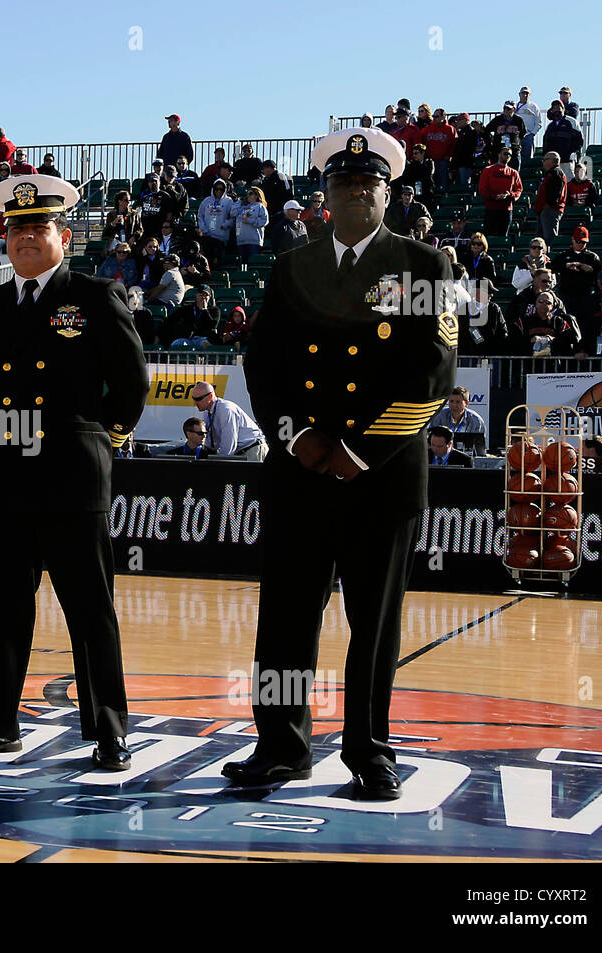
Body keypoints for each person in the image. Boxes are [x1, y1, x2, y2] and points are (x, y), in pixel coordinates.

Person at [232, 127, 457, 800]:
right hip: (298, 473)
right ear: (325, 195)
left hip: (380, 478)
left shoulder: (424, 266)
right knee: (286, 621)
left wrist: (360, 449)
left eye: (370, 184)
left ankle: (369, 751)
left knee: (374, 624)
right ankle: (280, 746)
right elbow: (261, 364)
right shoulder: (290, 267)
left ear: (388, 194)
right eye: (344, 184)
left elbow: (433, 372)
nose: (357, 192)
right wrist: (292, 435)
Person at [0, 173, 148, 771]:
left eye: (38, 228)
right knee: (5, 608)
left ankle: (108, 728)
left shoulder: (94, 296)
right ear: (4, 240)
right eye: (16, 230)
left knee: (90, 607)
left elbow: (132, 384)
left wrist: (99, 441)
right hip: (7, 477)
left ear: (64, 236)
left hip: (71, 476)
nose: (25, 238)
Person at [190, 380, 266, 459]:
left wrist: (220, 462)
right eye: (194, 399)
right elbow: (211, 442)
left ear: (210, 396)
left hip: (252, 450)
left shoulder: (225, 410)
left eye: (199, 399)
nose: (195, 403)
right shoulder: (207, 412)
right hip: (243, 451)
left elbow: (229, 443)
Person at [478, 147, 522, 237]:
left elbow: (518, 189)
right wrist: (495, 196)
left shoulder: (514, 173)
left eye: (510, 155)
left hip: (506, 210)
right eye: (505, 153)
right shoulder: (488, 170)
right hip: (491, 209)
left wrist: (510, 195)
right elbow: (482, 190)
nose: (507, 156)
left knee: (503, 237)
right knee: (488, 236)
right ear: (499, 154)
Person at [428, 385, 486, 453]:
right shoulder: (439, 416)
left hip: (466, 456)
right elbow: (430, 442)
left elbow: (479, 449)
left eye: (458, 402)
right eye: (451, 401)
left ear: (466, 403)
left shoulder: (476, 421)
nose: (454, 405)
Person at [534, 152, 568, 242]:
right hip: (546, 210)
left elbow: (556, 191)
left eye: (545, 160)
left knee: (548, 238)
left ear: (553, 161)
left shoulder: (556, 172)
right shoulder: (551, 173)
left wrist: (549, 204)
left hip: (550, 210)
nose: (543, 162)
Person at [235, 187, 268, 264]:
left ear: (256, 195)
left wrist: (249, 221)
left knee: (253, 264)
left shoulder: (260, 206)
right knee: (242, 265)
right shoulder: (242, 208)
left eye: (250, 193)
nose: (248, 196)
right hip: (241, 242)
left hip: (254, 242)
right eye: (247, 194)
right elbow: (236, 220)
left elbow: (264, 221)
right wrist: (238, 235)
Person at [514, 86, 542, 167]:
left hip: (528, 135)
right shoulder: (514, 106)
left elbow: (539, 122)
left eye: (527, 93)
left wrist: (532, 133)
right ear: (519, 94)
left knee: (528, 159)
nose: (525, 95)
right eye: (523, 93)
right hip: (516, 136)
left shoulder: (533, 106)